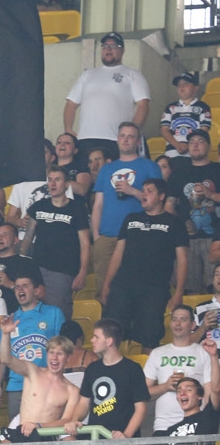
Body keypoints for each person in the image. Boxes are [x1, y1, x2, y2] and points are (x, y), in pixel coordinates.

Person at [102, 178, 188, 351]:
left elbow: (183, 260)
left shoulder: (175, 223)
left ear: (162, 196)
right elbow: (118, 253)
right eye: (143, 190)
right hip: (123, 286)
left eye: (150, 191)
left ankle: (148, 376)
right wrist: (106, 285)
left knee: (149, 335)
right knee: (112, 334)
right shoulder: (130, 218)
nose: (144, 194)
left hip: (154, 289)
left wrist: (178, 292)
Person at [91, 122, 162, 291]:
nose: (126, 140)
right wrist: (96, 235)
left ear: (138, 142)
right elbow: (98, 204)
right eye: (122, 135)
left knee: (135, 285)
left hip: (138, 234)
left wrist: (133, 191)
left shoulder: (149, 166)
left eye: (131, 136)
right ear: (117, 139)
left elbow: (158, 201)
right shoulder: (107, 169)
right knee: (104, 288)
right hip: (106, 235)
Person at [64, 33, 151, 159]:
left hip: (114, 139)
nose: (108, 49)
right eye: (105, 46)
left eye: (113, 46)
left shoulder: (132, 74)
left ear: (122, 50)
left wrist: (131, 133)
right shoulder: (88, 74)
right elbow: (71, 104)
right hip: (85, 138)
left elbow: (143, 105)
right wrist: (68, 130)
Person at [20, 165, 91, 319]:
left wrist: (83, 272)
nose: (52, 184)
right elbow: (27, 238)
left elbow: (85, 243)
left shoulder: (77, 208)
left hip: (62, 271)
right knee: (33, 313)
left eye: (57, 180)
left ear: (66, 184)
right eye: (50, 180)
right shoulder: (38, 206)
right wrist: (22, 264)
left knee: (56, 315)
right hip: (37, 268)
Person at [0, 273, 65, 417]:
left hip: (47, 383)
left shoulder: (53, 313)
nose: (20, 289)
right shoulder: (9, 320)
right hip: (17, 385)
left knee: (47, 431)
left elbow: (64, 348)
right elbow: (2, 358)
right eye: (17, 287)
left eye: (25, 286)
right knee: (17, 434)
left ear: (36, 290)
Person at [165, 129, 220, 293]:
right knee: (190, 290)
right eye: (191, 141)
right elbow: (169, 205)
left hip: (216, 239)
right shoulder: (178, 173)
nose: (195, 145)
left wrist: (210, 194)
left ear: (209, 147)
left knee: (215, 288)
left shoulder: (218, 170)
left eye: (200, 141)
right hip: (186, 239)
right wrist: (178, 226)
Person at [145, 305, 213, 433]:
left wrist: (207, 421)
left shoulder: (203, 352)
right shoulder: (157, 353)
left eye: (183, 319)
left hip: (195, 423)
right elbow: (142, 393)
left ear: (193, 325)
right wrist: (165, 386)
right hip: (163, 425)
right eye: (174, 319)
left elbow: (209, 394)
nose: (178, 323)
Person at [160, 71, 210, 158]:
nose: (181, 86)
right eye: (179, 85)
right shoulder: (171, 107)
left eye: (186, 83)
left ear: (196, 88)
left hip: (193, 154)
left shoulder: (203, 107)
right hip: (172, 153)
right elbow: (164, 129)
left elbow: (203, 131)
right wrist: (177, 145)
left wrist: (189, 145)